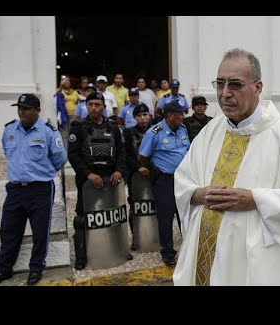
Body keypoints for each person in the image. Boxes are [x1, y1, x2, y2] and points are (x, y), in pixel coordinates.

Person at [172, 48, 280, 286]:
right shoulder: (210, 130)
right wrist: (198, 194)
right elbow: (183, 178)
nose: (225, 94)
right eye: (220, 84)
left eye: (235, 84)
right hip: (204, 254)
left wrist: (255, 199)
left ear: (258, 87)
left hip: (253, 261)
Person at [0, 94, 67, 285]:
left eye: (27, 108)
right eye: (20, 107)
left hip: (40, 189)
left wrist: (42, 172)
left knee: (40, 232)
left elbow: (60, 158)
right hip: (15, 190)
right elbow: (7, 151)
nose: (22, 111)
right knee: (8, 231)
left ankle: (36, 269)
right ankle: (4, 269)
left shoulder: (48, 132)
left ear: (37, 111)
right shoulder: (10, 129)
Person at [67, 91, 127, 270]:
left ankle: (118, 249)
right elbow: (73, 155)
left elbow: (121, 152)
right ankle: (82, 256)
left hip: (111, 180)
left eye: (97, 105)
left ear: (104, 107)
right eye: (90, 104)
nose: (94, 108)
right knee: (82, 219)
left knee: (114, 215)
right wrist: (88, 175)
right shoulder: (78, 127)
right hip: (88, 181)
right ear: (86, 106)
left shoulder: (113, 127)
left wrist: (118, 171)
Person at [139, 100, 190, 266]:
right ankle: (168, 252)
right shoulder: (154, 132)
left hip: (183, 180)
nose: (183, 116)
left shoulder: (182, 129)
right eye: (180, 113)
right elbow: (143, 157)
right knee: (166, 217)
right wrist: (155, 172)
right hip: (165, 181)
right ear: (170, 116)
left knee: (185, 215)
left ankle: (189, 249)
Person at [123, 103, 152, 248]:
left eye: (145, 115)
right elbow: (127, 155)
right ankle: (136, 237)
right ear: (135, 117)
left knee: (153, 205)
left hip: (154, 174)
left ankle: (153, 235)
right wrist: (138, 167)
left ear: (149, 116)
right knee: (136, 206)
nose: (142, 118)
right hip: (135, 175)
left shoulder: (156, 130)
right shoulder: (128, 133)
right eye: (139, 116)